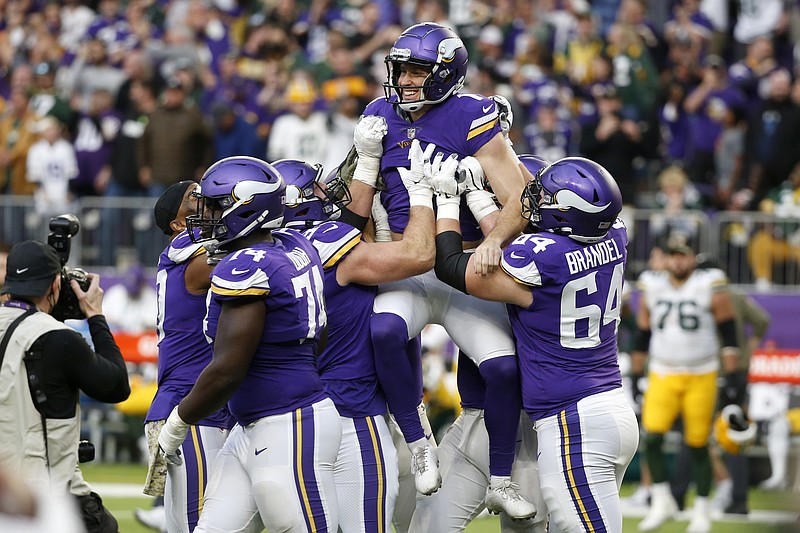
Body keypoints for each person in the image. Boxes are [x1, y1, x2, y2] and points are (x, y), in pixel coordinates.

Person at [358, 22, 535, 518]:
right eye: (402, 69)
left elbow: (520, 194)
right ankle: (417, 438)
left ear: (445, 74)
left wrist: (495, 240)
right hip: (407, 265)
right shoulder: (379, 113)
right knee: (384, 332)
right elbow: (357, 202)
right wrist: (364, 165)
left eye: (418, 70)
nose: (407, 80)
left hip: (464, 268)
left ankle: (501, 479)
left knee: (503, 368)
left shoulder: (472, 113)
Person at [432, 156, 639, 532]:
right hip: (612, 409)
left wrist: (452, 202)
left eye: (543, 197)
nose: (531, 201)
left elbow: (450, 265)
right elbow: (532, 205)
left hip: (573, 420)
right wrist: (501, 151)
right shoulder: (615, 234)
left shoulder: (542, 258)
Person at [157, 156, 341, 532]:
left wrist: (177, 422)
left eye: (213, 206)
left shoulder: (246, 267)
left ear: (245, 207)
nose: (205, 215)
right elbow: (317, 335)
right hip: (253, 425)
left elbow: (227, 370)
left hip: (289, 422)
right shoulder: (293, 243)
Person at [274, 148, 436, 532]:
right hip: (352, 411)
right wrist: (425, 198)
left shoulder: (264, 256)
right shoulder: (334, 247)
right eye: (317, 189)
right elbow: (420, 255)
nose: (327, 194)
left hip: (290, 414)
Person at [409, 155, 553, 533]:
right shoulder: (527, 255)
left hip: (529, 429)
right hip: (474, 421)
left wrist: (465, 200)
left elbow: (455, 263)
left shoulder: (542, 261)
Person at [0, 240, 131, 533]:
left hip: (6, 489)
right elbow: (116, 387)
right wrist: (95, 314)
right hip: (51, 493)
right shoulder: (57, 337)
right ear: (56, 285)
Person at [139, 181, 234, 533]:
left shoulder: (189, 258)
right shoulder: (193, 266)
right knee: (196, 525)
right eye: (193, 197)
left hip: (207, 399)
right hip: (188, 404)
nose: (204, 198)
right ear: (179, 225)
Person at [632, 238, 742, 533]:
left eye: (682, 255)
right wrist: (635, 373)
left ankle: (702, 510)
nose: (677, 261)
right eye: (672, 255)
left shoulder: (709, 284)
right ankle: (662, 500)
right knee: (652, 438)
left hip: (701, 373)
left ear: (693, 257)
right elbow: (643, 332)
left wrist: (732, 376)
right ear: (665, 258)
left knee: (697, 444)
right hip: (662, 373)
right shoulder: (652, 285)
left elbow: (729, 330)